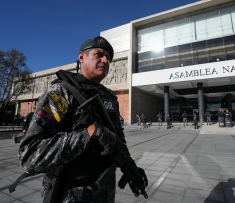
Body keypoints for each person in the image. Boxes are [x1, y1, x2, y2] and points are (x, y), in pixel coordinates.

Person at [17, 36, 147, 202]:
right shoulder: (61, 93)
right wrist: (88, 134)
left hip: (105, 193)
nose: (105, 60)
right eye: (99, 54)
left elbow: (118, 142)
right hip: (73, 194)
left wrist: (131, 167)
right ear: (81, 57)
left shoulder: (109, 97)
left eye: (108, 57)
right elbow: (29, 154)